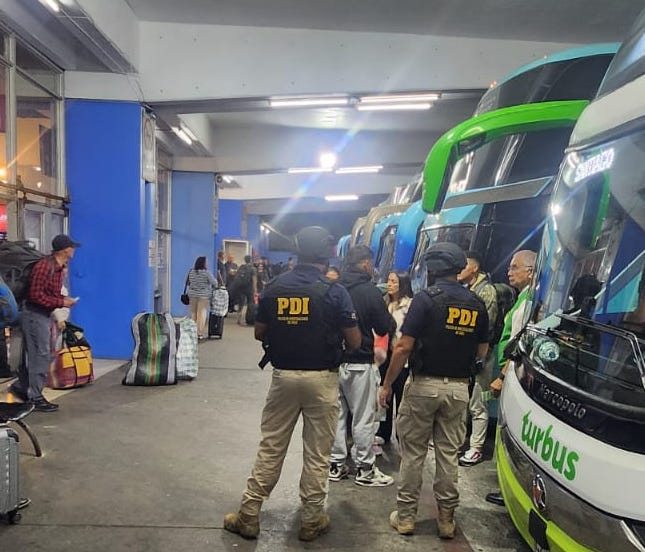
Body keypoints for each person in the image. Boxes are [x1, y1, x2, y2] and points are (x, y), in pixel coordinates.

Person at [224, 226, 360, 542]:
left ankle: (249, 515)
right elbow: (354, 341)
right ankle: (311, 520)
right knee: (318, 452)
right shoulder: (335, 291)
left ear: (298, 251)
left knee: (271, 446)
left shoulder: (275, 287)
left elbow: (259, 332)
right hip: (322, 380)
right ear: (325, 254)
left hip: (283, 378)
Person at [379, 242, 489, 538]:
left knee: (413, 454)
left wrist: (387, 384)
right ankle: (446, 520)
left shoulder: (426, 299)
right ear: (458, 268)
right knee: (448, 455)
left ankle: (405, 518)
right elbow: (481, 351)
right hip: (458, 389)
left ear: (431, 268)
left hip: (423, 385)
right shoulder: (476, 303)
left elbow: (403, 347)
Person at [328, 245, 396, 487]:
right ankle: (365, 469)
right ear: (366, 263)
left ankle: (336, 465)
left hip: (333, 363)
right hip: (360, 363)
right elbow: (384, 327)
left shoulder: (333, 288)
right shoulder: (369, 291)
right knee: (363, 418)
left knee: (336, 417)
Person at [485, 249, 536, 507]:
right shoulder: (522, 297)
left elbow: (520, 343)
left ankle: (509, 488)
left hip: (514, 374)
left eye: (515, 267)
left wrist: (503, 376)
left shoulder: (529, 302)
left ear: (531, 272)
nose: (509, 272)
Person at [9, 234, 80, 412]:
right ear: (65, 250)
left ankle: (22, 387)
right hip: (34, 314)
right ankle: (36, 397)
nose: (73, 250)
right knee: (39, 355)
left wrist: (63, 301)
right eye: (72, 247)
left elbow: (49, 294)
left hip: (43, 315)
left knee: (42, 354)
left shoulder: (58, 268)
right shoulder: (44, 266)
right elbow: (35, 295)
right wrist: (61, 302)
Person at [457, 251, 498, 467]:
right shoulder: (468, 290)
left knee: (478, 403)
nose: (459, 269)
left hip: (482, 356)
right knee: (464, 401)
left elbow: (485, 328)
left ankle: (476, 448)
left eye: (464, 265)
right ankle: (461, 441)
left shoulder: (486, 291)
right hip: (467, 356)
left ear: (474, 268)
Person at [374, 270, 414, 449]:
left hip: (402, 357)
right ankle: (383, 431)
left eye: (393, 282)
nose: (389, 284)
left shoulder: (410, 305)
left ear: (402, 284)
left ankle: (401, 433)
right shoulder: (383, 303)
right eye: (388, 281)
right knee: (384, 393)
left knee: (401, 395)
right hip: (384, 355)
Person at [187, 256, 217, 340]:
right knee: (201, 313)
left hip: (192, 295)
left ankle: (192, 332)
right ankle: (199, 333)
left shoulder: (191, 272)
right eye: (206, 262)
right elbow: (214, 283)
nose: (207, 264)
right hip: (203, 296)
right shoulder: (206, 273)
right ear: (203, 264)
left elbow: (187, 282)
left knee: (193, 313)